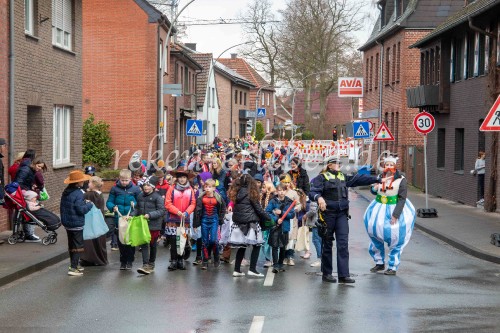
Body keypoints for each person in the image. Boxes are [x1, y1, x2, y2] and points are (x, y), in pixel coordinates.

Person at [309, 156, 381, 284]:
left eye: (339, 163)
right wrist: (319, 198)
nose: (338, 165)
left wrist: (377, 179)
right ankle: (327, 273)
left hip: (342, 214)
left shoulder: (343, 177)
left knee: (343, 244)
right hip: (328, 215)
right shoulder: (321, 178)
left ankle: (343, 275)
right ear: (329, 165)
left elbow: (359, 179)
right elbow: (313, 192)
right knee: (327, 244)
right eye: (336, 163)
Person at [363, 156, 416, 275]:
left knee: (395, 237)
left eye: (391, 165)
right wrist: (374, 188)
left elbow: (402, 199)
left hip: (393, 208)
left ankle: (393, 266)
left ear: (395, 166)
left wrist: (395, 215)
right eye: (387, 165)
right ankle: (379, 263)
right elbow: (374, 191)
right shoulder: (380, 177)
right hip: (378, 208)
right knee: (374, 233)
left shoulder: (401, 180)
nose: (388, 167)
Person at [228, 173, 271, 278]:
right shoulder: (252, 193)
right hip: (251, 223)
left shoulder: (237, 192)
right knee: (257, 245)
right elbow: (259, 209)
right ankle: (252, 269)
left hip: (238, 223)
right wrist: (269, 219)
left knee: (242, 246)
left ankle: (237, 270)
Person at [60, 170, 93, 276]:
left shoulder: (67, 191)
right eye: (82, 181)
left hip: (67, 222)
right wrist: (89, 205)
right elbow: (81, 210)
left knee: (71, 244)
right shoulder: (78, 193)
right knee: (78, 245)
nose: (83, 182)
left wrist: (83, 203)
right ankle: (73, 268)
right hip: (76, 223)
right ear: (77, 182)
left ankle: (74, 264)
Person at [106, 169, 140, 270]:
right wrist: (113, 207)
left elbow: (140, 204)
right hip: (119, 218)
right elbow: (109, 202)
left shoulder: (136, 189)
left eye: (126, 180)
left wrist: (134, 207)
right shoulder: (115, 189)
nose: (124, 182)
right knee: (121, 241)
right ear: (119, 179)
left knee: (130, 240)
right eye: (122, 180)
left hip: (131, 218)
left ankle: (130, 260)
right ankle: (123, 261)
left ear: (130, 179)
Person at [164, 168, 196, 271]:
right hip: (173, 218)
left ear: (186, 178)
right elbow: (167, 203)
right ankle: (173, 260)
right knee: (173, 240)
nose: (182, 179)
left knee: (182, 239)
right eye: (180, 177)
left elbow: (193, 203)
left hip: (184, 219)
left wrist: (186, 212)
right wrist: (177, 211)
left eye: (183, 177)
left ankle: (180, 260)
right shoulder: (172, 188)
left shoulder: (190, 190)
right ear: (177, 178)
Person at [133, 176, 165, 275]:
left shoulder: (157, 197)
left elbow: (161, 211)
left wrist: (150, 215)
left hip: (154, 225)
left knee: (153, 244)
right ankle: (145, 265)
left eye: (148, 185)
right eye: (144, 185)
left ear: (153, 186)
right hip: (143, 224)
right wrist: (131, 215)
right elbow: (137, 209)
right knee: (144, 244)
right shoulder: (140, 196)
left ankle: (151, 263)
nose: (146, 187)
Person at [193, 179, 226, 270]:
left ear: (214, 188)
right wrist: (195, 224)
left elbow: (223, 207)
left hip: (214, 220)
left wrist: (220, 218)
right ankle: (205, 261)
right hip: (204, 220)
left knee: (213, 240)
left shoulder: (218, 197)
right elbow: (197, 211)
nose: (207, 189)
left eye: (209, 187)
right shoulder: (200, 198)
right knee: (204, 242)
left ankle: (216, 257)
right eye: (206, 187)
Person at [265, 183, 295, 274]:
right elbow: (267, 212)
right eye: (279, 190)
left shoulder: (289, 201)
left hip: (284, 226)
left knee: (283, 246)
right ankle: (275, 265)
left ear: (285, 191)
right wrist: (276, 219)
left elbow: (292, 214)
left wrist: (282, 212)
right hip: (275, 226)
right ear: (277, 191)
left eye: (283, 190)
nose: (281, 192)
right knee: (275, 246)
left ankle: (281, 264)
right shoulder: (273, 201)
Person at [80, 176, 108, 267]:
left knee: (90, 240)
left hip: (90, 220)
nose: (88, 184)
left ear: (94, 184)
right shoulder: (99, 194)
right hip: (99, 220)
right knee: (99, 240)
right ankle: (100, 258)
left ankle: (89, 259)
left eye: (89, 182)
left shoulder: (90, 194)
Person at [260, 181, 276, 267]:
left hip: (272, 222)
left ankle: (273, 258)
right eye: (262, 187)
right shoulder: (261, 197)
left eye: (264, 187)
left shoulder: (273, 198)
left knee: (272, 240)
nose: (262, 189)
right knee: (264, 240)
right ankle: (267, 258)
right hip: (263, 223)